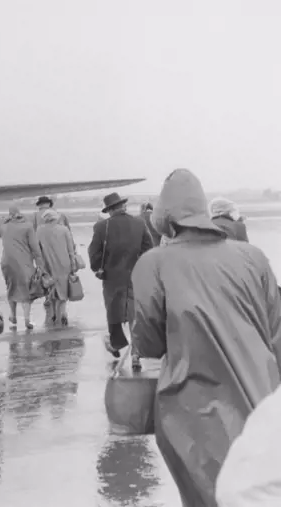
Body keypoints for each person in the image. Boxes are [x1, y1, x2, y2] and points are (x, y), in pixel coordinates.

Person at [131, 168, 281, 507]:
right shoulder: (252, 256)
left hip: (193, 415)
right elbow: (277, 336)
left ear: (165, 218)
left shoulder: (153, 264)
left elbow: (149, 345)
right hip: (264, 402)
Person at [88, 192, 152, 371]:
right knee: (134, 315)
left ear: (109, 210)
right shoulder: (139, 223)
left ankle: (116, 344)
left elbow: (94, 253)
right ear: (123, 206)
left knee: (114, 313)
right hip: (135, 275)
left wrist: (97, 268)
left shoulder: (101, 226)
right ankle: (136, 354)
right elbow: (149, 249)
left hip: (111, 277)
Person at [0, 205, 44, 330]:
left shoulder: (5, 227)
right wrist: (40, 263)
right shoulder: (28, 226)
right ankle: (27, 319)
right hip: (24, 262)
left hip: (7, 262)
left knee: (11, 287)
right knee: (26, 289)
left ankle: (13, 315)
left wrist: (5, 220)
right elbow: (35, 247)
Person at [36, 209, 76, 327]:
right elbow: (70, 249)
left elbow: (37, 249)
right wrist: (73, 264)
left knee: (51, 287)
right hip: (64, 263)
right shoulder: (64, 230)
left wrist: (39, 265)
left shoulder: (39, 230)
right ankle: (63, 313)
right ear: (56, 218)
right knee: (63, 290)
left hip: (46, 263)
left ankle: (53, 313)